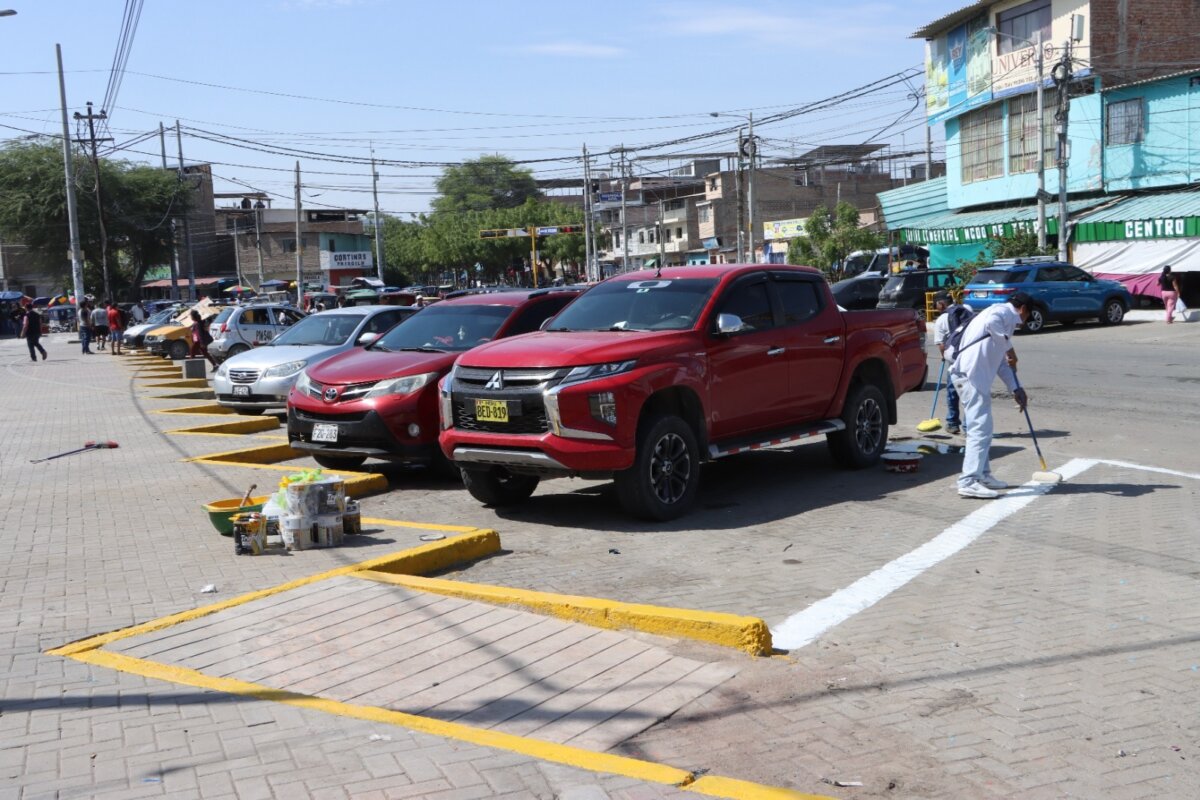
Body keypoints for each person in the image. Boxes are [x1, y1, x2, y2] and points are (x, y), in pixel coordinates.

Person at [948, 291, 1033, 499]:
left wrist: (1016, 388)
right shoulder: (1001, 312)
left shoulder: (1005, 321)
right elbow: (993, 324)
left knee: (983, 428)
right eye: (1028, 315)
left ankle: (983, 475)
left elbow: (1001, 364)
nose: (1025, 320)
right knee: (980, 429)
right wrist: (1010, 348)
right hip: (969, 377)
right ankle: (968, 481)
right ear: (1023, 309)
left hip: (975, 379)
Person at [932, 291, 967, 435]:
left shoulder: (942, 319)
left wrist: (943, 356)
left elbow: (941, 344)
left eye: (936, 305)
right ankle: (968, 425)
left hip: (954, 360)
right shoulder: (966, 310)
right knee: (968, 392)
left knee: (953, 392)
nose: (936, 308)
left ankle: (953, 423)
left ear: (941, 303)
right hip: (970, 357)